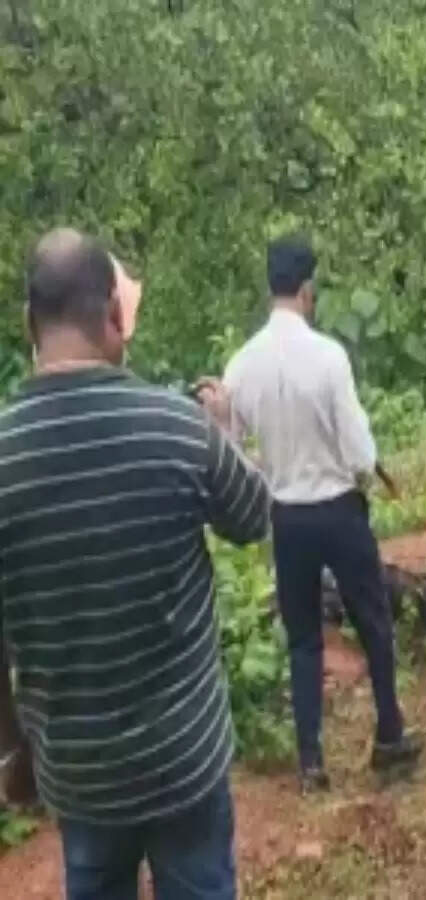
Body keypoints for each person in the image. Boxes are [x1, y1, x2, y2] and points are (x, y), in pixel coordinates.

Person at [0, 228, 271, 898]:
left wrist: (14, 748)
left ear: (30, 324)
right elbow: (255, 517)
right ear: (116, 318)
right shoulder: (177, 427)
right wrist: (229, 433)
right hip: (184, 760)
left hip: (78, 772)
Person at [200, 235, 423, 793]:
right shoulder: (329, 357)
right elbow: (358, 449)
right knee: (373, 620)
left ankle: (310, 763)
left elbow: (232, 449)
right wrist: (370, 470)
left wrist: (231, 423)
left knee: (303, 639)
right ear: (306, 290)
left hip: (288, 519)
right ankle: (390, 734)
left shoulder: (242, 364)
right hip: (340, 512)